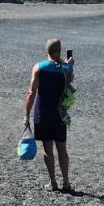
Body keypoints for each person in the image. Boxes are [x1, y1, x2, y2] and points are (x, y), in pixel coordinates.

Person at [24, 38, 74, 192]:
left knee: (48, 150)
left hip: (43, 115)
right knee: (62, 149)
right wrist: (69, 66)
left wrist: (26, 114)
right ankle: (66, 183)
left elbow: (32, 93)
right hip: (59, 114)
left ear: (47, 51)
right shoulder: (65, 68)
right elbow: (70, 82)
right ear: (59, 51)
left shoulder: (39, 68)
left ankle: (53, 182)